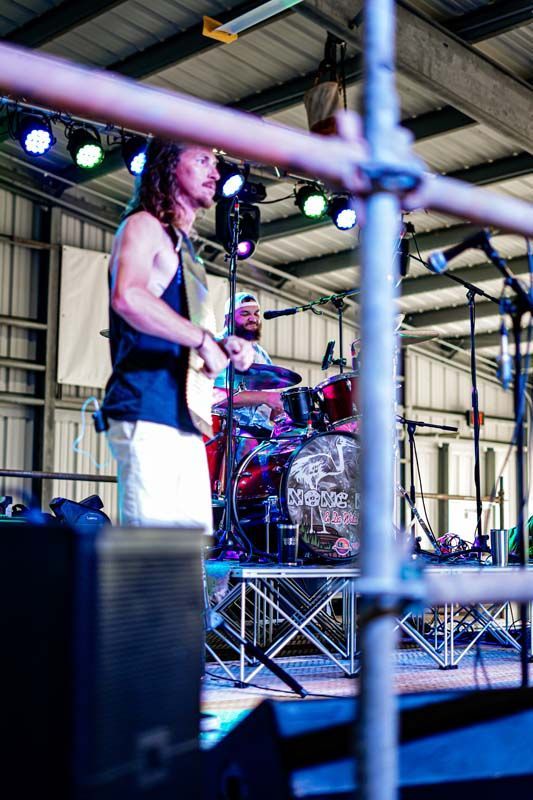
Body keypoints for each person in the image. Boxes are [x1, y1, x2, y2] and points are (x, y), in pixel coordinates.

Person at [101, 138, 254, 532]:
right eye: (202, 159)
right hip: (147, 410)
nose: (216, 172)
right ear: (169, 166)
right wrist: (202, 339)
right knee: (153, 564)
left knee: (187, 562)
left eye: (216, 162)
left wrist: (219, 345)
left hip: (185, 420)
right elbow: (128, 296)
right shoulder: (143, 226)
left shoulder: (188, 250)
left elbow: (177, 332)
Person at [213, 292, 284, 438]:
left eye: (257, 314)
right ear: (228, 319)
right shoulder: (216, 345)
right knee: (248, 443)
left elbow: (274, 402)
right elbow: (213, 396)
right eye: (245, 314)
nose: (253, 319)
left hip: (259, 429)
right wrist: (266, 397)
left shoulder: (261, 355)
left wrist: (279, 409)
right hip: (223, 429)